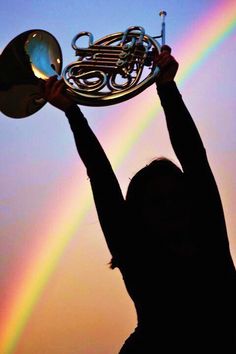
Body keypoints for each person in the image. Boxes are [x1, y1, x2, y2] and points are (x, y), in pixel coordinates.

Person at [44, 46, 236, 353]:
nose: (170, 206)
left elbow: (195, 159)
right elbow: (102, 178)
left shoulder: (209, 233)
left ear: (192, 199)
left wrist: (167, 87)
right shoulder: (135, 253)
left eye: (176, 196)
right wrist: (72, 111)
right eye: (157, 202)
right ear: (139, 215)